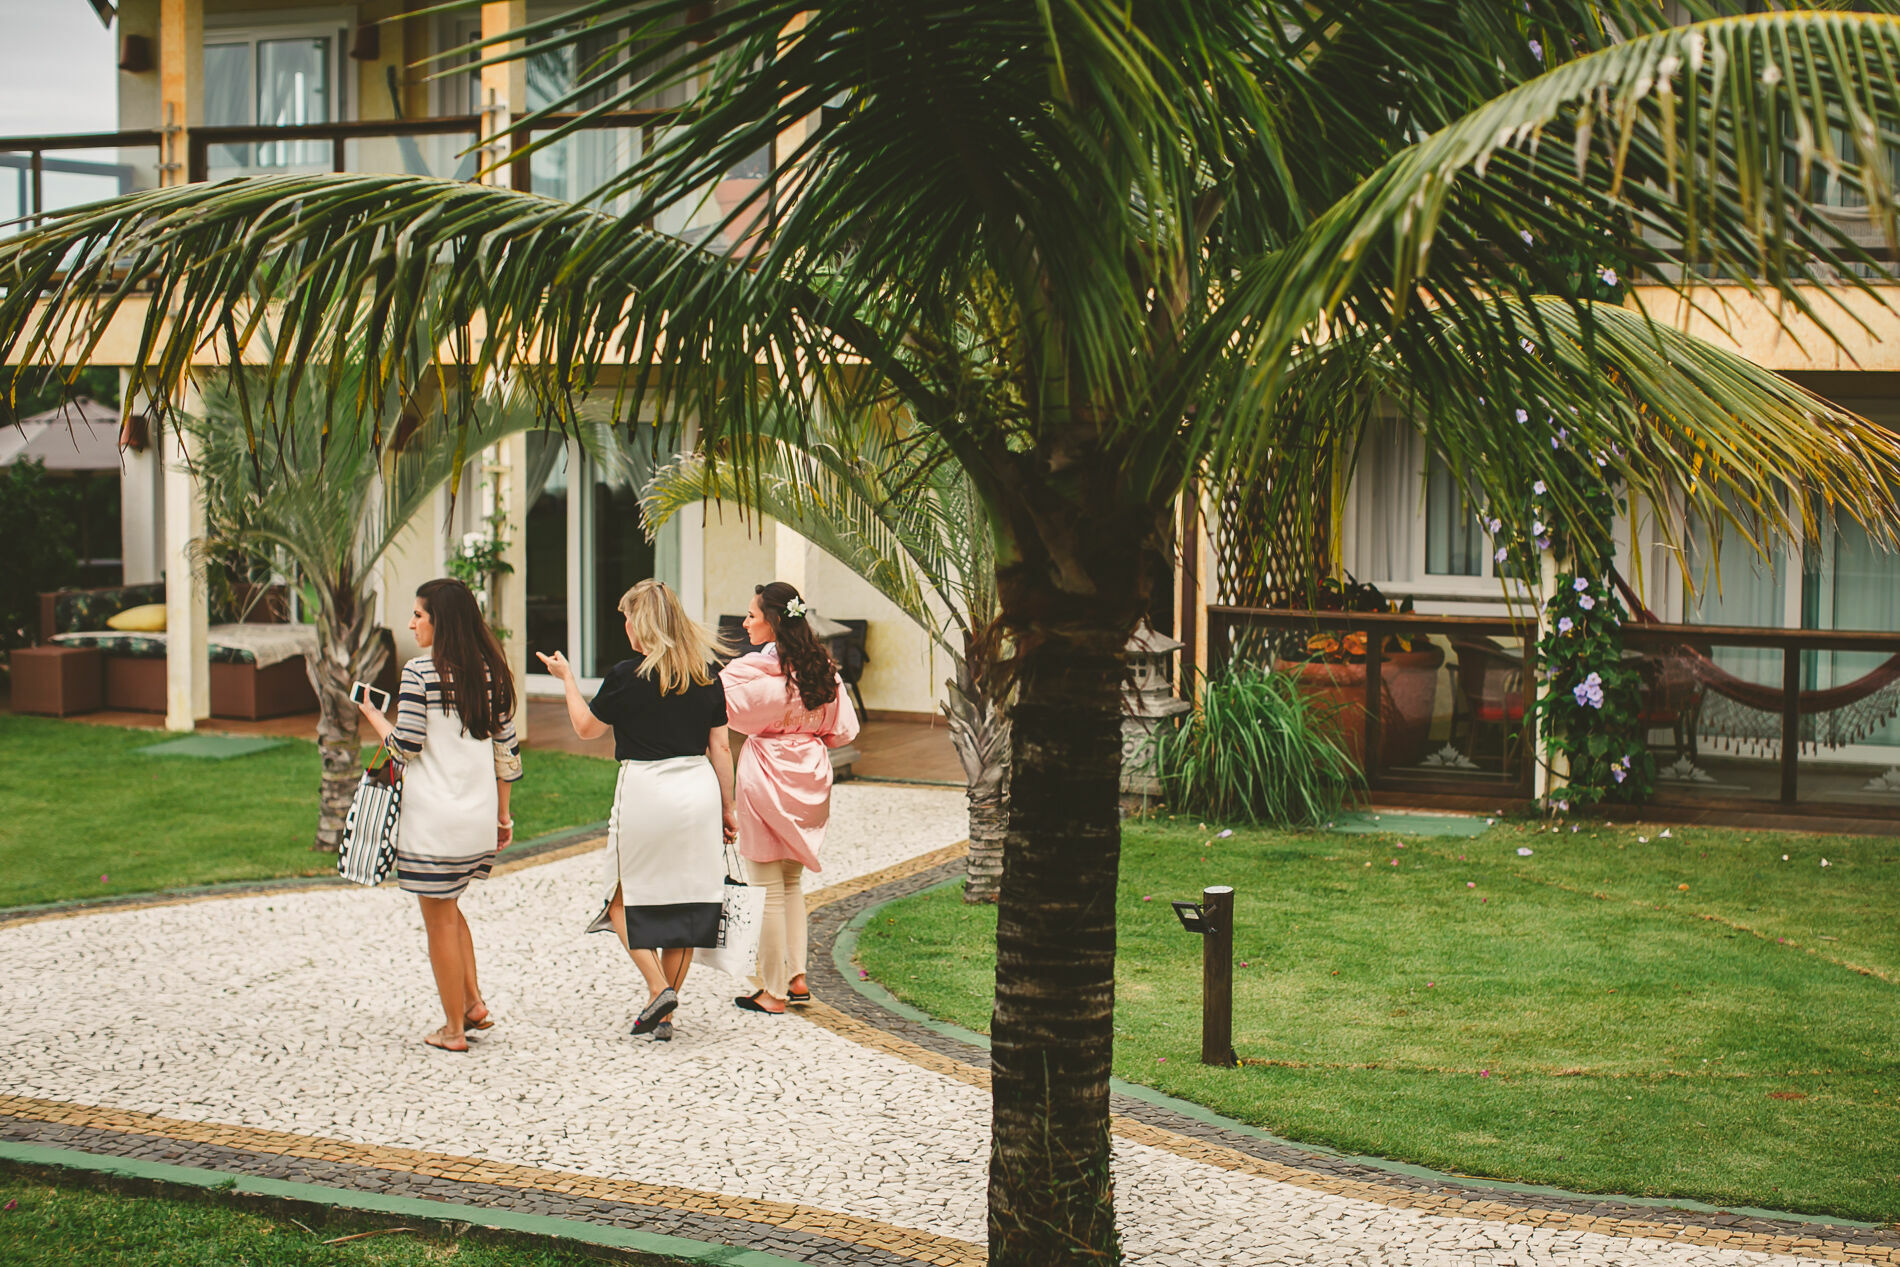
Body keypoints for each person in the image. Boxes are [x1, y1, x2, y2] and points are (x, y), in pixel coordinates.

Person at [538, 579, 735, 1043]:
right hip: (698, 791)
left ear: (640, 622)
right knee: (690, 905)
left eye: (626, 616)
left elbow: (586, 729)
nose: (623, 625)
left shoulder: (627, 675)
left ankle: (658, 988)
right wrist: (728, 808)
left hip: (646, 792)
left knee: (619, 896)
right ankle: (663, 1014)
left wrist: (567, 680)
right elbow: (721, 747)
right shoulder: (707, 672)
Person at [357, 577, 520, 1053]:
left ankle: (453, 1031)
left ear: (440, 621)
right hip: (477, 819)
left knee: (439, 921)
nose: (410, 624)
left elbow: (405, 745)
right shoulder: (492, 670)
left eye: (418, 615)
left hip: (433, 821)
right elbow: (506, 754)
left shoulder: (419, 672)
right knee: (450, 907)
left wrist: (372, 716)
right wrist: (502, 818)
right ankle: (472, 1005)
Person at [721, 581, 860, 1015]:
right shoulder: (823, 668)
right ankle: (797, 977)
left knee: (766, 890)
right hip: (810, 776)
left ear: (774, 620)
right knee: (792, 882)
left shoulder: (755, 671)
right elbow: (842, 731)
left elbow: (723, 709)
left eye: (751, 615)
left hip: (767, 775)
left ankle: (773, 991)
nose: (744, 623)